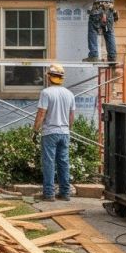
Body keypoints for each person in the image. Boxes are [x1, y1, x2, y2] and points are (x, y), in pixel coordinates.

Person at [33, 64, 76, 202]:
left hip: (50, 132)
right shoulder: (69, 94)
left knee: (49, 163)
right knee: (64, 162)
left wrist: (35, 130)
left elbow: (41, 113)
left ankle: (49, 194)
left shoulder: (46, 93)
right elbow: (71, 116)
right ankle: (65, 193)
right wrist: (68, 129)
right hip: (64, 132)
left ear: (49, 77)